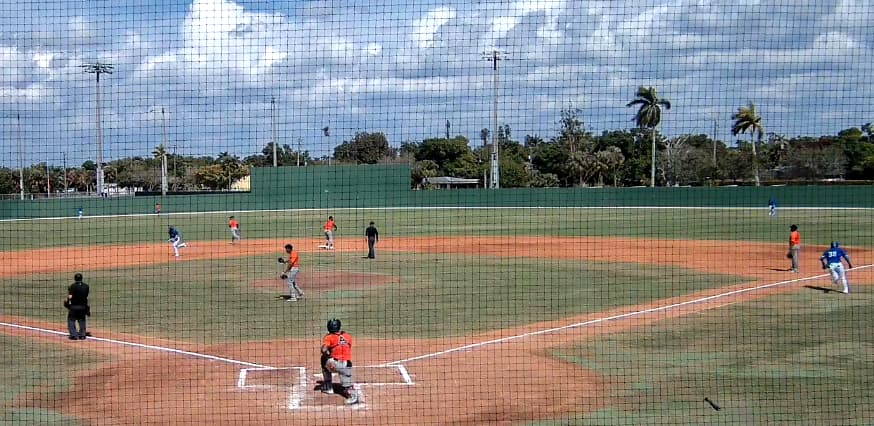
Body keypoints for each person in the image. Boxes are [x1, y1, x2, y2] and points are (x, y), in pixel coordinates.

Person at [318, 318, 359, 405]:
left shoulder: (329, 337)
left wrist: (328, 355)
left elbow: (323, 350)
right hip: (347, 366)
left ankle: (328, 386)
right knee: (347, 387)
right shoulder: (348, 336)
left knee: (323, 359)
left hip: (335, 364)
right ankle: (353, 395)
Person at [64, 273, 90, 340]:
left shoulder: (72, 286)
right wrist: (87, 308)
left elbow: (70, 297)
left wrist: (66, 302)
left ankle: (74, 335)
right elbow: (86, 297)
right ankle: (82, 335)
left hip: (74, 307)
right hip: (83, 307)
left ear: (75, 279)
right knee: (82, 320)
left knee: (71, 320)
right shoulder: (86, 286)